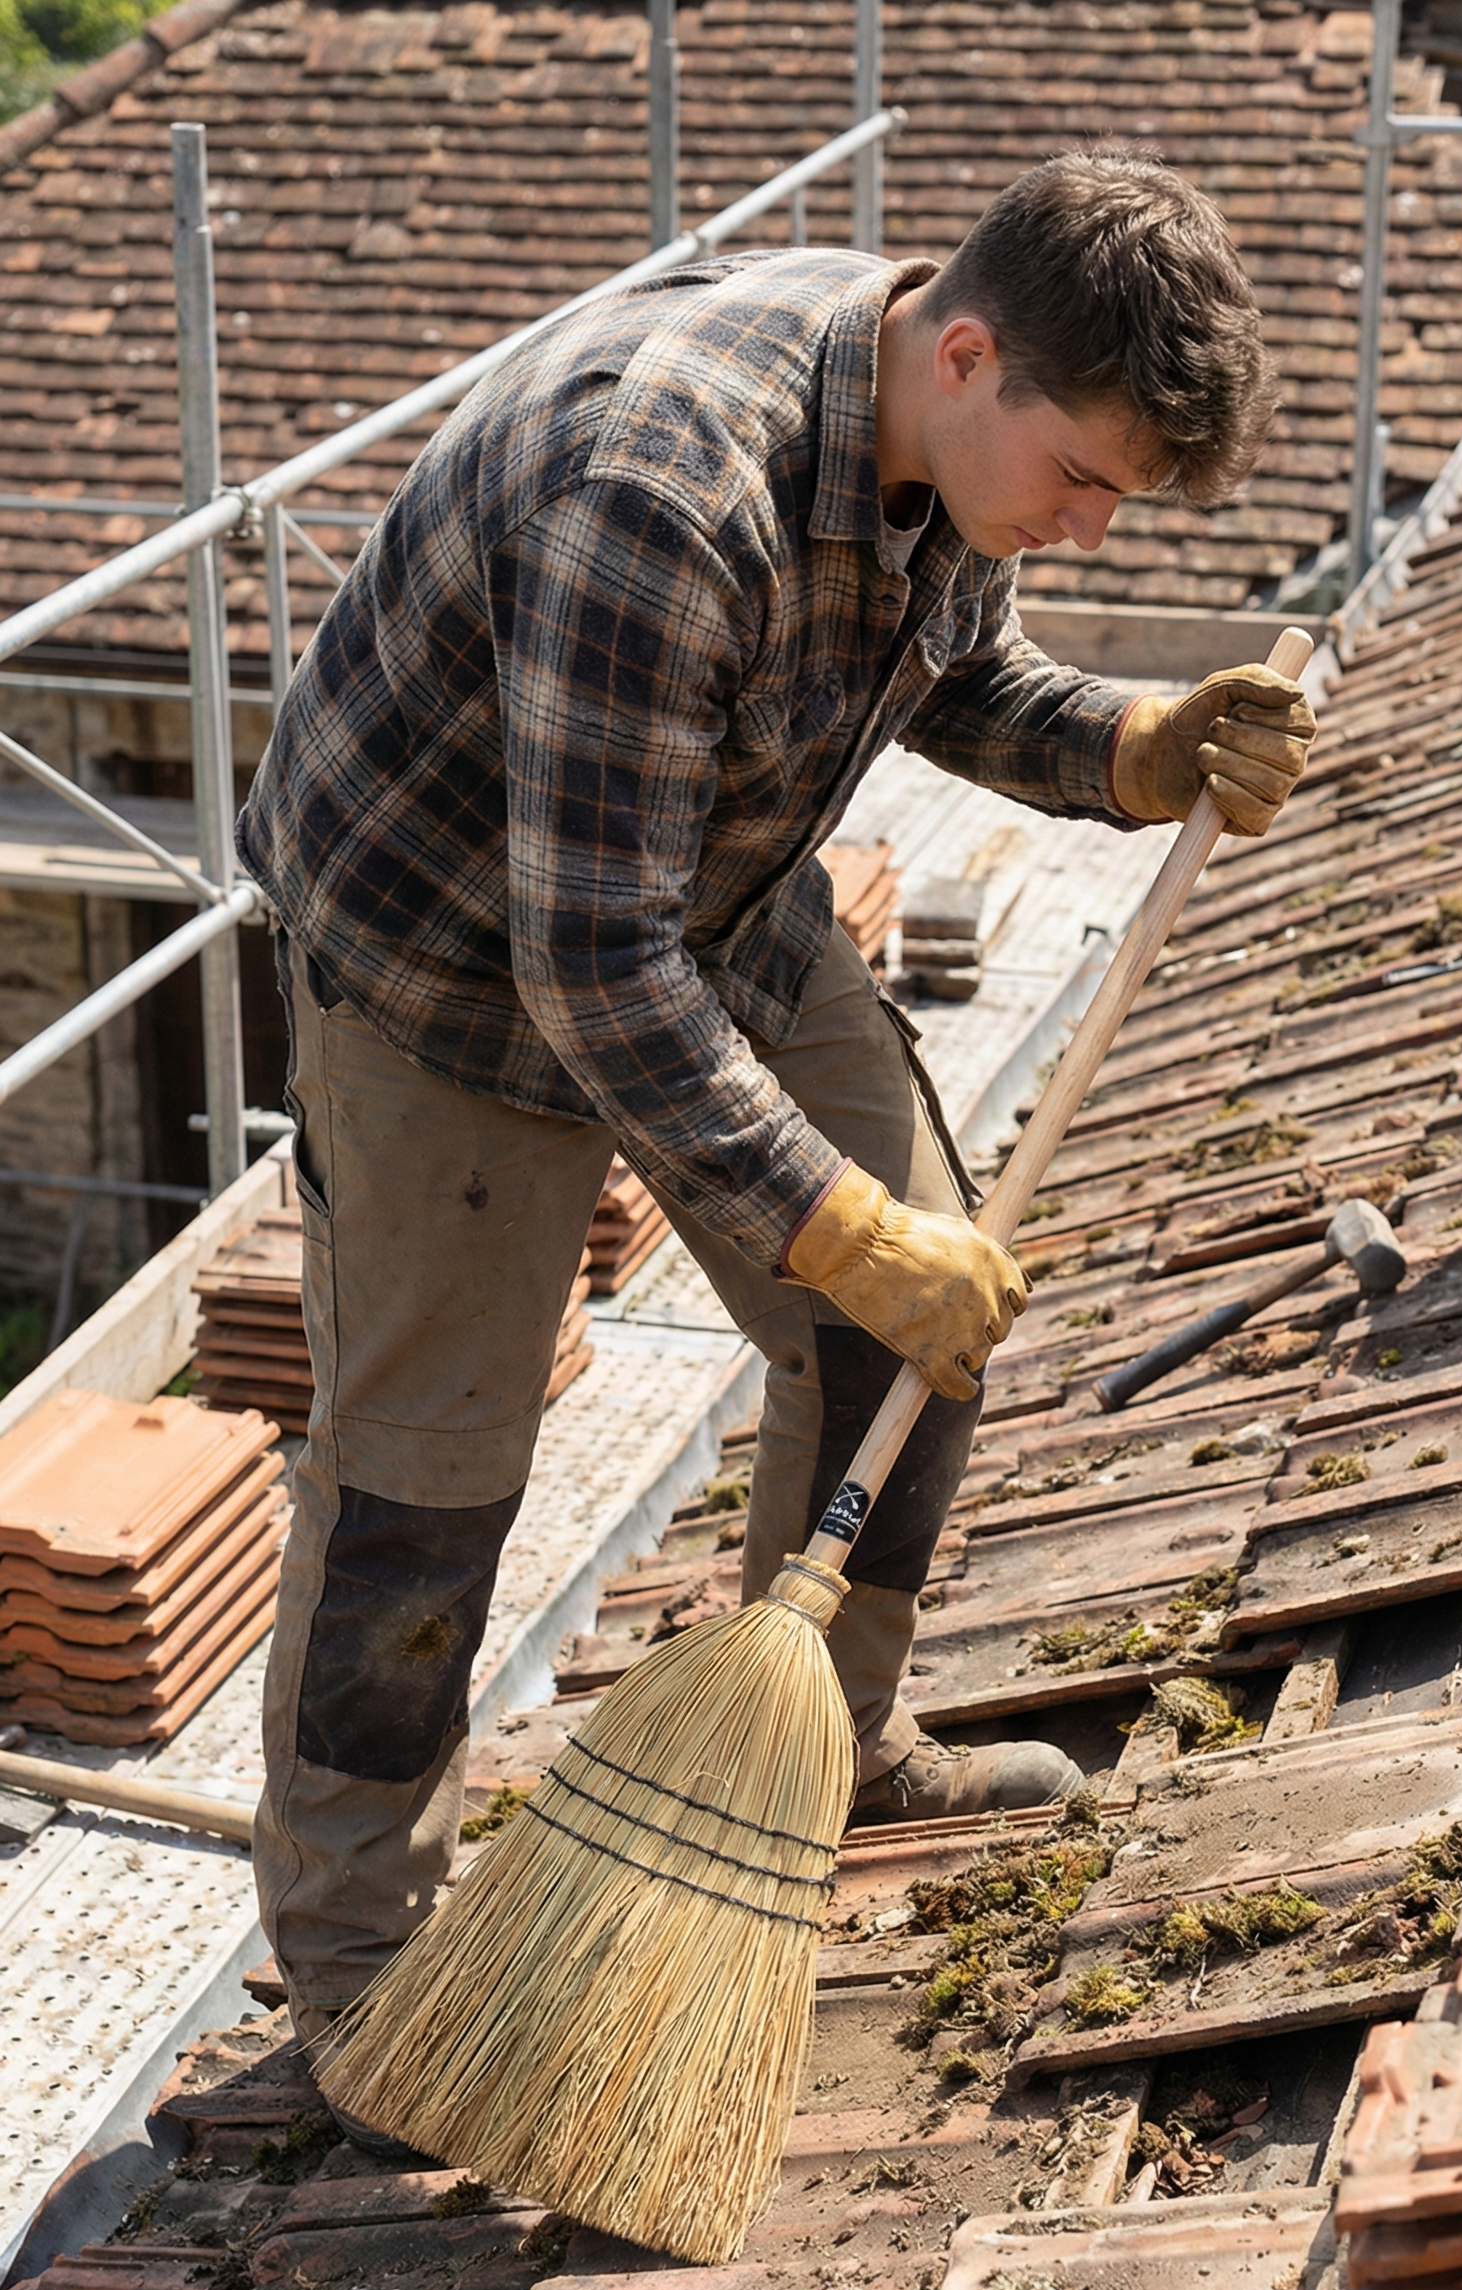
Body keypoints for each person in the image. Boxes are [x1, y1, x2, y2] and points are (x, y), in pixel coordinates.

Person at [239, 145, 1316, 2086]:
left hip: (706, 901)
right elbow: (588, 971)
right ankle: (357, 1977)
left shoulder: (929, 417)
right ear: (967, 350)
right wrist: (833, 1217)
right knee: (425, 1487)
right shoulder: (658, 488)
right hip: (445, 977)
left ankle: (829, 1738)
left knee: (922, 1324)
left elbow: (950, 672)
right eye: (1078, 480)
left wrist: (1128, 746)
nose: (1080, 528)